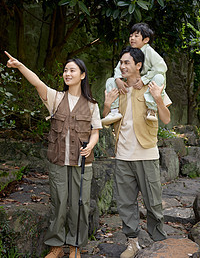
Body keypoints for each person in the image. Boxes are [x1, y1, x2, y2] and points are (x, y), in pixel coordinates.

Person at [5, 51, 102, 258]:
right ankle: (56, 245)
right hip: (58, 160)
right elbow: (37, 83)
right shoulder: (56, 98)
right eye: (65, 70)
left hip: (82, 163)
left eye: (72, 70)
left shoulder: (93, 105)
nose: (67, 74)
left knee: (81, 204)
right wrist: (21, 66)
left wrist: (91, 146)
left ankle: (75, 245)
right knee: (59, 203)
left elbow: (95, 132)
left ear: (82, 75)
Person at [103, 46, 171, 258]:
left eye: (127, 63)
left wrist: (158, 99)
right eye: (121, 63)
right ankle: (132, 243)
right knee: (125, 203)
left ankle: (159, 243)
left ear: (138, 65)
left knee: (154, 204)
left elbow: (167, 118)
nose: (122, 67)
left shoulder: (152, 85)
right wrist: (106, 105)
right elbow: (105, 118)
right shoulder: (117, 88)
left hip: (147, 154)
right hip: (122, 155)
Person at [101, 23, 168, 126]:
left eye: (136, 36)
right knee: (111, 80)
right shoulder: (129, 53)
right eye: (131, 35)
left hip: (149, 82)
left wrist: (144, 80)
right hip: (132, 83)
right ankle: (114, 111)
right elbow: (118, 68)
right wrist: (118, 79)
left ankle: (152, 109)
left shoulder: (149, 52)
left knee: (159, 77)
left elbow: (162, 67)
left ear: (146, 40)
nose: (132, 38)